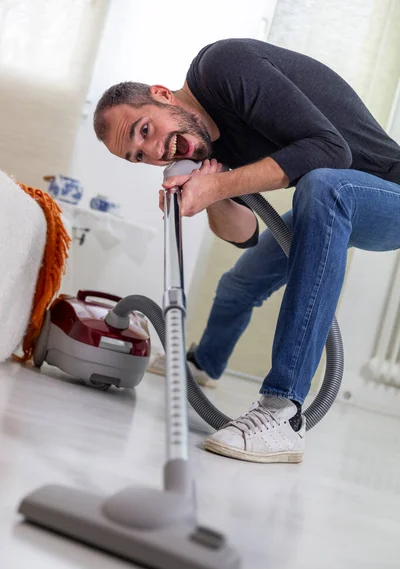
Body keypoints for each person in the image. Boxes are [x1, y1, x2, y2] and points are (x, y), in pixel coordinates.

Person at [93, 38, 400, 464]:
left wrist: (216, 185)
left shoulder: (222, 65)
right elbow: (243, 233)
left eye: (145, 130)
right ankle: (204, 364)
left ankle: (283, 414)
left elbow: (332, 151)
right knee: (241, 281)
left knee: (325, 184)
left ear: (162, 94)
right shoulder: (205, 145)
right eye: (138, 155)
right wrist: (210, 193)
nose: (156, 151)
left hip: (386, 192)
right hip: (330, 201)